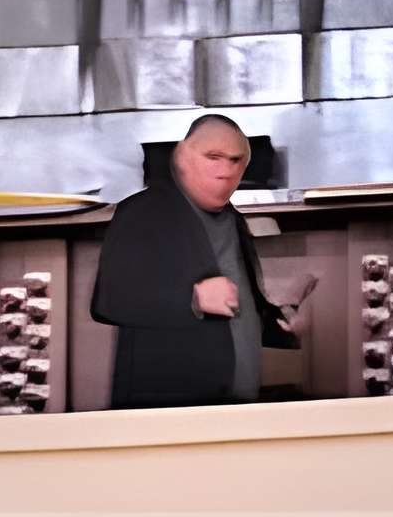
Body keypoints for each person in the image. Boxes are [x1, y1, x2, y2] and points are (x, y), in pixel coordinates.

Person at [90, 113, 312, 408]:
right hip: (166, 412)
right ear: (183, 157)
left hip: (232, 407)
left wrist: (280, 322)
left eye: (235, 161)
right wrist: (192, 299)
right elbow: (110, 301)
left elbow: (237, 306)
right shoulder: (143, 212)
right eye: (213, 157)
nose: (225, 171)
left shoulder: (231, 219)